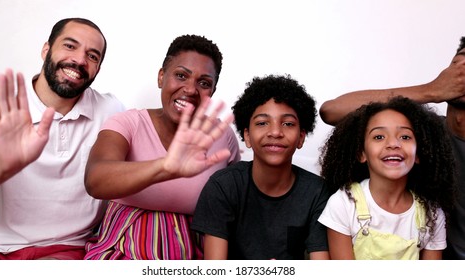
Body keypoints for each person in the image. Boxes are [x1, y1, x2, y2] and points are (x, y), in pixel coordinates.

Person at [0, 18, 125, 260]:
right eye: (70, 46)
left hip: (67, 250)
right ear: (46, 49)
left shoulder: (111, 110)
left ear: (98, 68)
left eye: (93, 56)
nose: (80, 60)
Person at [83, 34, 241, 260]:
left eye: (204, 83)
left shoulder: (221, 136)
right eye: (181, 75)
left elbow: (236, 204)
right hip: (122, 249)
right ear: (161, 77)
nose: (190, 89)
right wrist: (165, 167)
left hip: (193, 253)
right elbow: (95, 181)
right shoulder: (128, 123)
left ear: (212, 92)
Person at [319, 37, 465, 259]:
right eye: (459, 65)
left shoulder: (431, 215)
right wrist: (432, 90)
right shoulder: (427, 138)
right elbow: (332, 110)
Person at [190, 74, 330, 260]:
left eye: (288, 124)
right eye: (262, 123)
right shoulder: (223, 186)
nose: (275, 132)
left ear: (301, 137)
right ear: (247, 136)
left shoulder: (317, 192)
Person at [318, 96, 455, 259]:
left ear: (419, 153)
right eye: (379, 137)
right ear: (362, 153)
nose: (393, 144)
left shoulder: (432, 214)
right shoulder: (343, 204)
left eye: (405, 137)